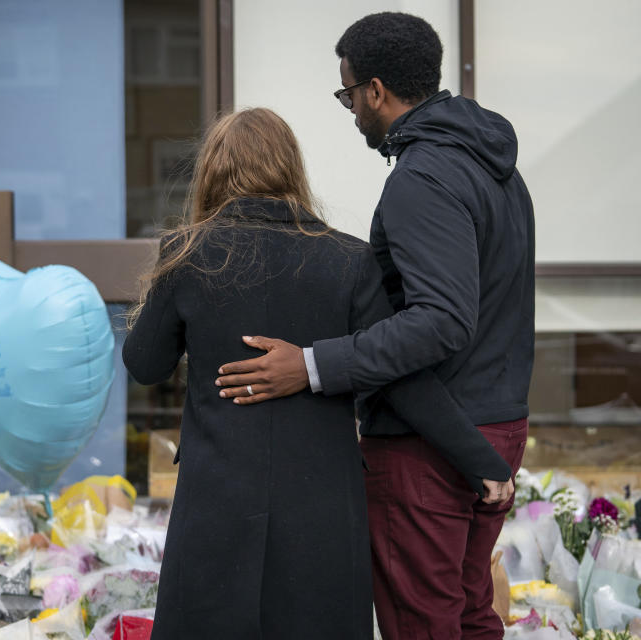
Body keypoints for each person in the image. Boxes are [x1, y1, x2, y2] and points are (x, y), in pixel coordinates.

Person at [122, 107, 512, 639]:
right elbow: (398, 378)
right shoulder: (348, 259)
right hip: (322, 511)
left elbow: (144, 366)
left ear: (211, 171)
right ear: (291, 168)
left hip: (217, 504)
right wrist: (479, 460)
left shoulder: (187, 254)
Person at [213, 12, 535, 640]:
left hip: (430, 445)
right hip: (496, 426)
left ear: (377, 91)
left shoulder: (423, 178)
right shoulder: (496, 167)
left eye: (348, 93)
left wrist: (310, 365)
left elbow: (441, 321)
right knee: (472, 617)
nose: (351, 109)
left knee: (425, 624)